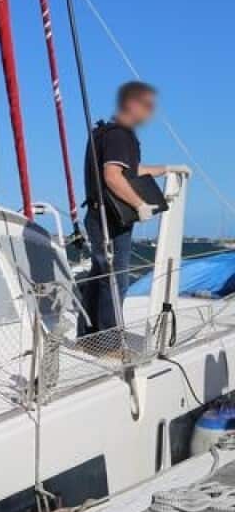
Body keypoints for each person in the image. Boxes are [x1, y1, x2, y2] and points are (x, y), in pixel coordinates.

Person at [78, 81, 168, 336]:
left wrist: (166, 169)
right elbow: (113, 176)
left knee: (100, 276)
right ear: (131, 104)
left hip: (97, 214)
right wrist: (140, 205)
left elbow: (130, 170)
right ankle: (109, 339)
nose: (150, 112)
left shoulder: (104, 133)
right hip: (112, 219)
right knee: (116, 280)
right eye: (147, 105)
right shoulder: (120, 135)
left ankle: (88, 335)